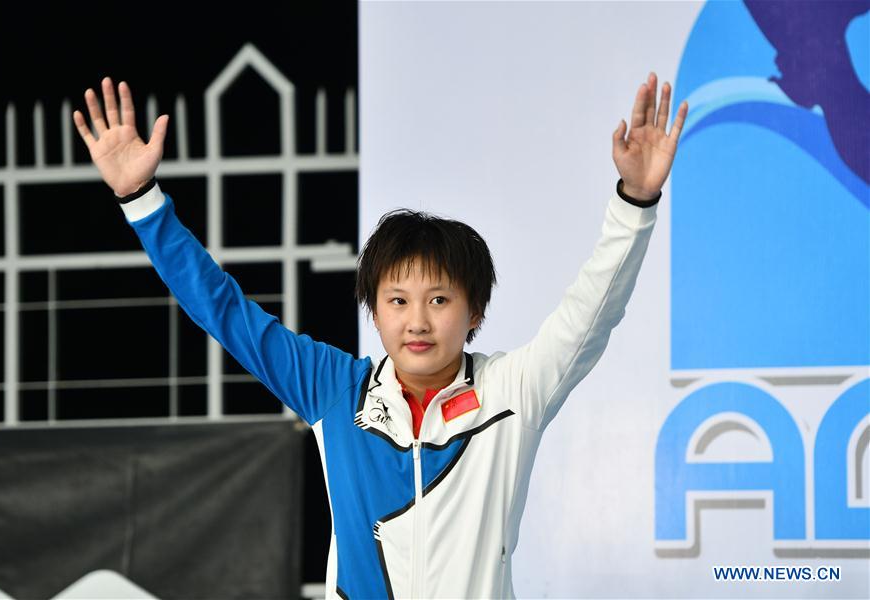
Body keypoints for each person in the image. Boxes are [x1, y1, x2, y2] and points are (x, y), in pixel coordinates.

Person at [74, 72, 687, 599]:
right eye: (397, 300)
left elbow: (593, 309)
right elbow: (225, 311)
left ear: (475, 313)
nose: (417, 320)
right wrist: (141, 200)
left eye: (439, 300)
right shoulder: (334, 391)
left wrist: (636, 200)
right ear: (375, 310)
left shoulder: (514, 390)